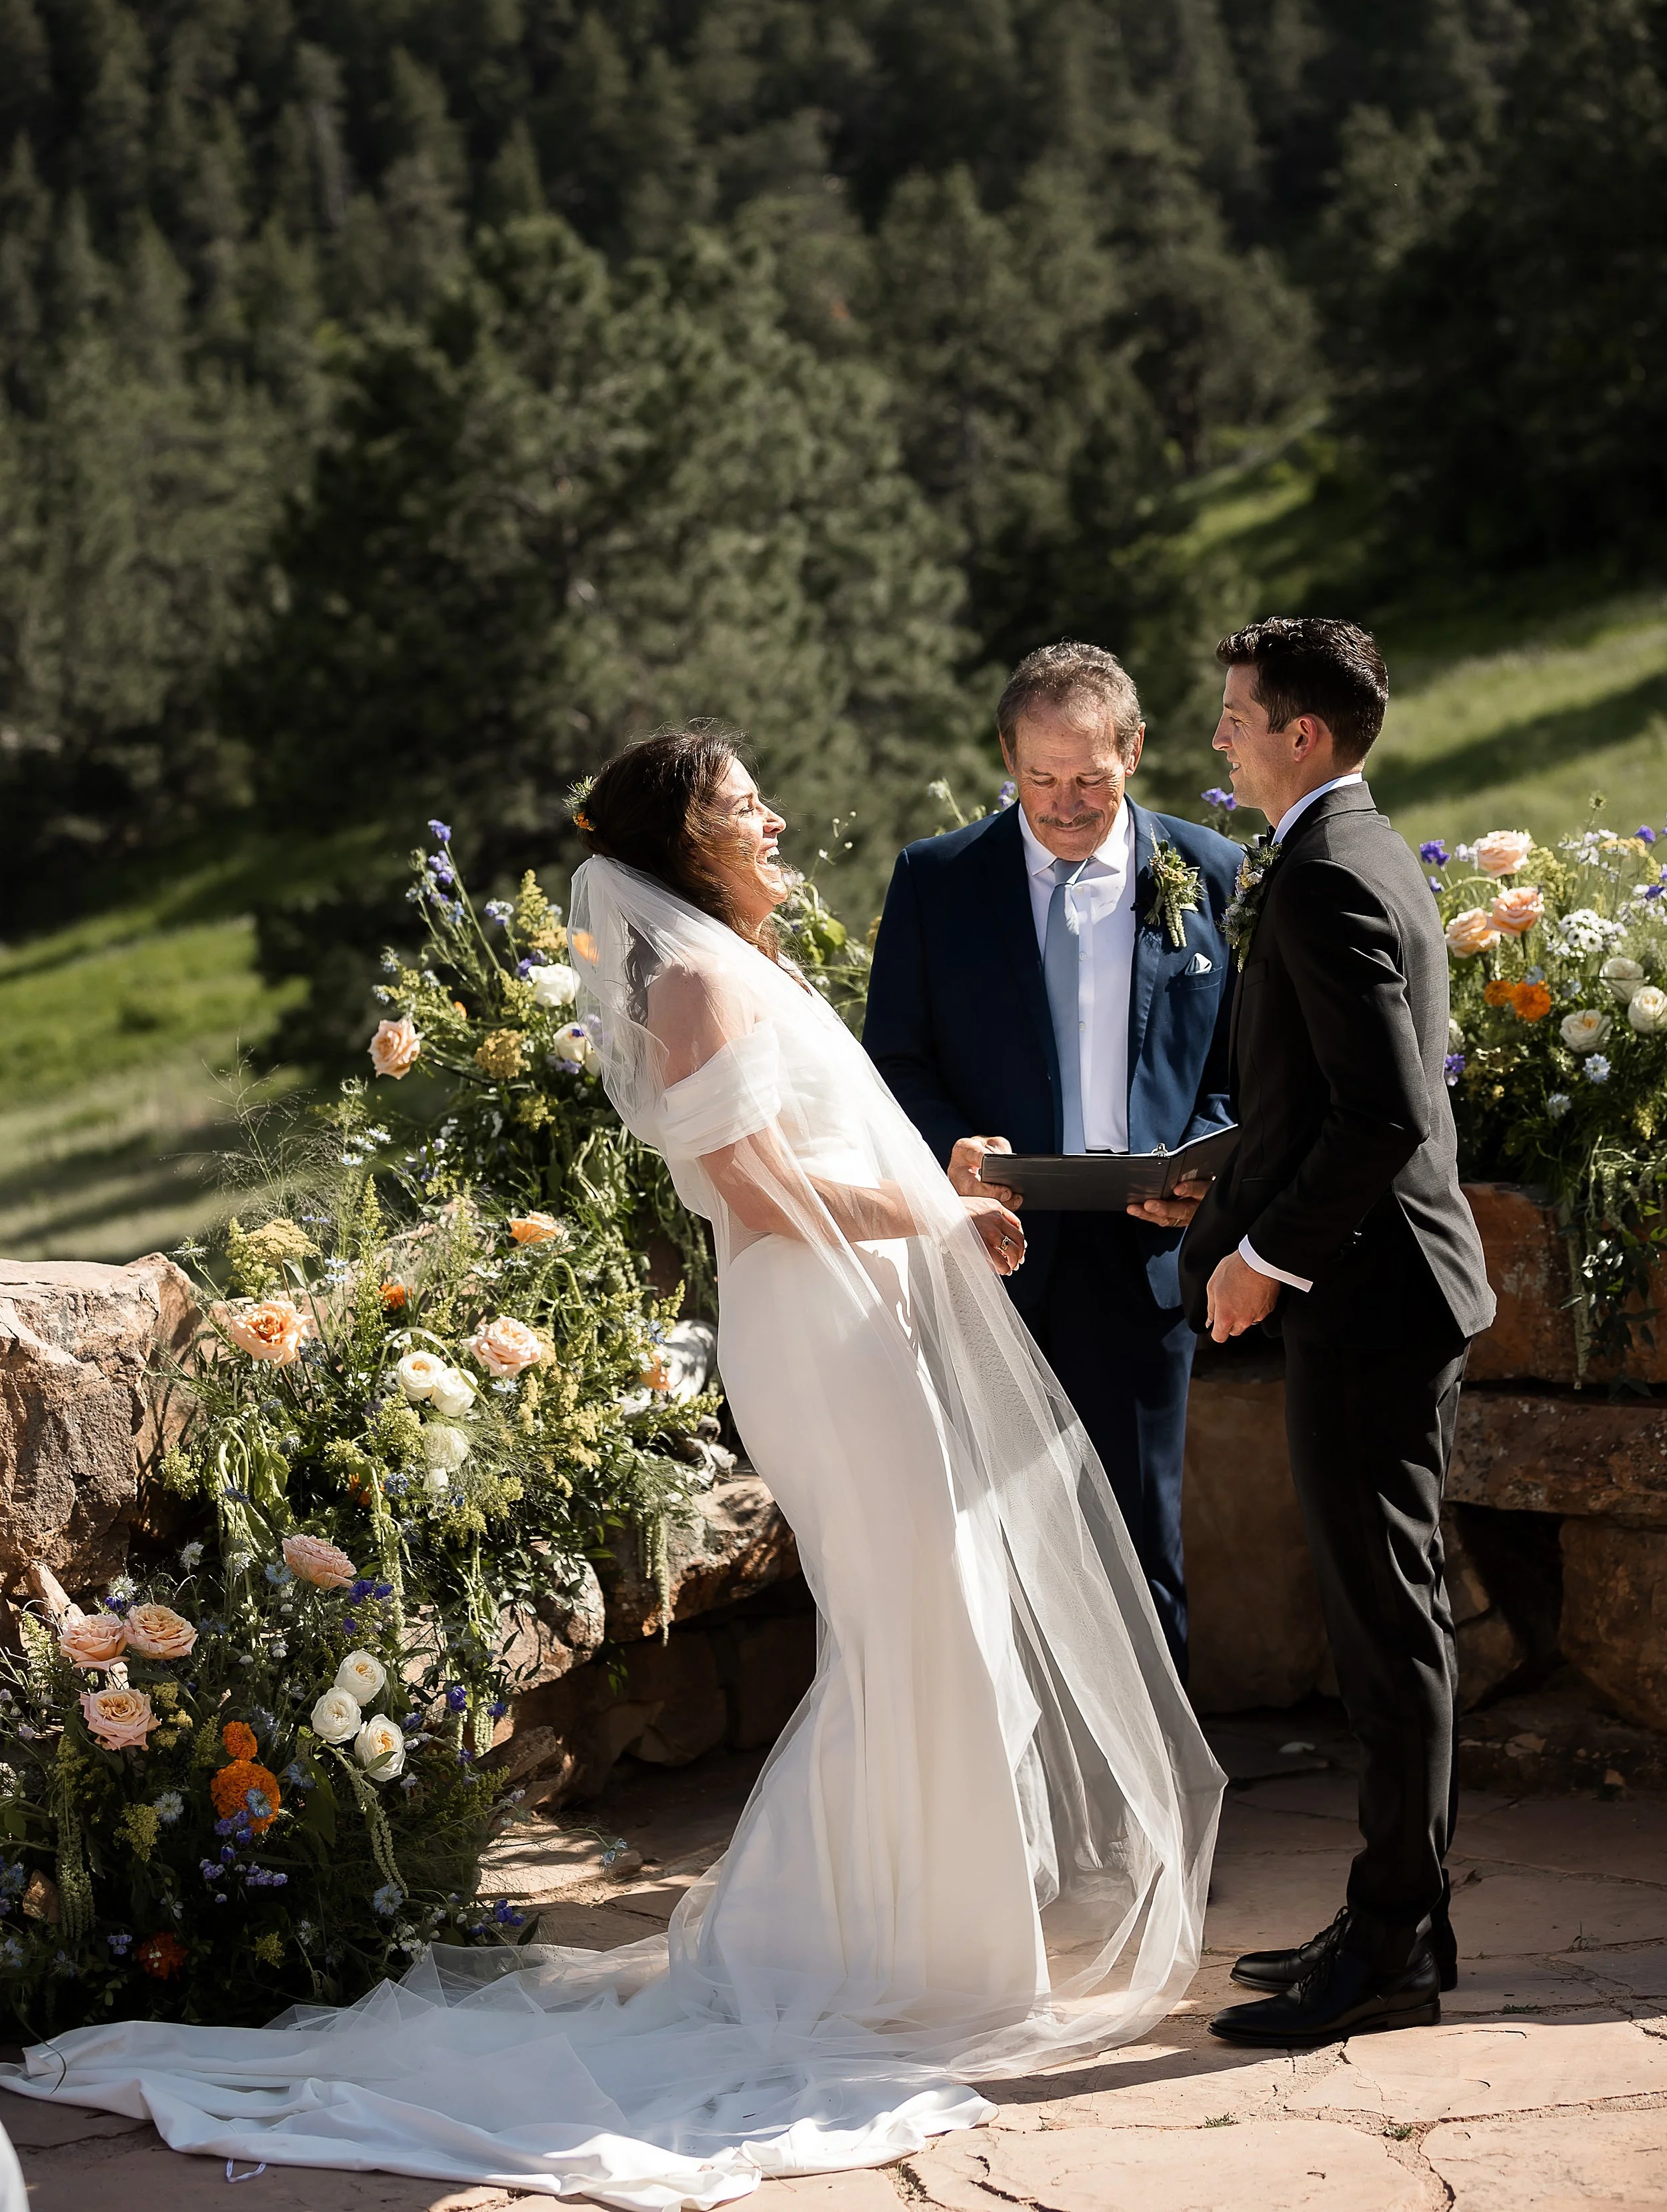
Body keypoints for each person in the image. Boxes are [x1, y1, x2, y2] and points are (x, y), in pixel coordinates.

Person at [4, 730, 1222, 2209]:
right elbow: (754, 1193)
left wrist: (940, 1180)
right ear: (687, 842)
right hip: (820, 1329)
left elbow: (815, 1148)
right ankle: (861, 1961)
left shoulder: (729, 959)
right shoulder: (700, 979)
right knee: (922, 1631)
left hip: (854, 1305)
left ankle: (905, 1950)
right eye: (740, 803)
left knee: (927, 1627)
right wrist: (930, 1221)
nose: (770, 815)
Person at [1174, 618, 1494, 2047]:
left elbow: (1383, 1117)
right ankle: (1390, 1914)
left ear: (1302, 735)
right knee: (1388, 1618)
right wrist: (1220, 1184)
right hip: (1377, 1289)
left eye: (1236, 716)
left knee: (1385, 1632)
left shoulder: (1317, 877)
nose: (1221, 738)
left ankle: (1391, 1948)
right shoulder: (1346, 851)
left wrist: (1257, 1260)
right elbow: (1323, 1096)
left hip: (1366, 1300)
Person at [862, 642, 1239, 1674]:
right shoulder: (937, 881)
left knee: (1138, 1544)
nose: (1066, 804)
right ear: (1005, 758)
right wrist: (954, 1147)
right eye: (1041, 779)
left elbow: (1242, 1060)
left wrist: (1204, 1160)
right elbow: (893, 1057)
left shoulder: (1209, 871)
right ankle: (1022, 1808)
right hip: (990, 1254)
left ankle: (1155, 1817)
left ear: (1135, 752)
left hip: (1147, 1256)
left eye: (1090, 778)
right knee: (994, 1541)